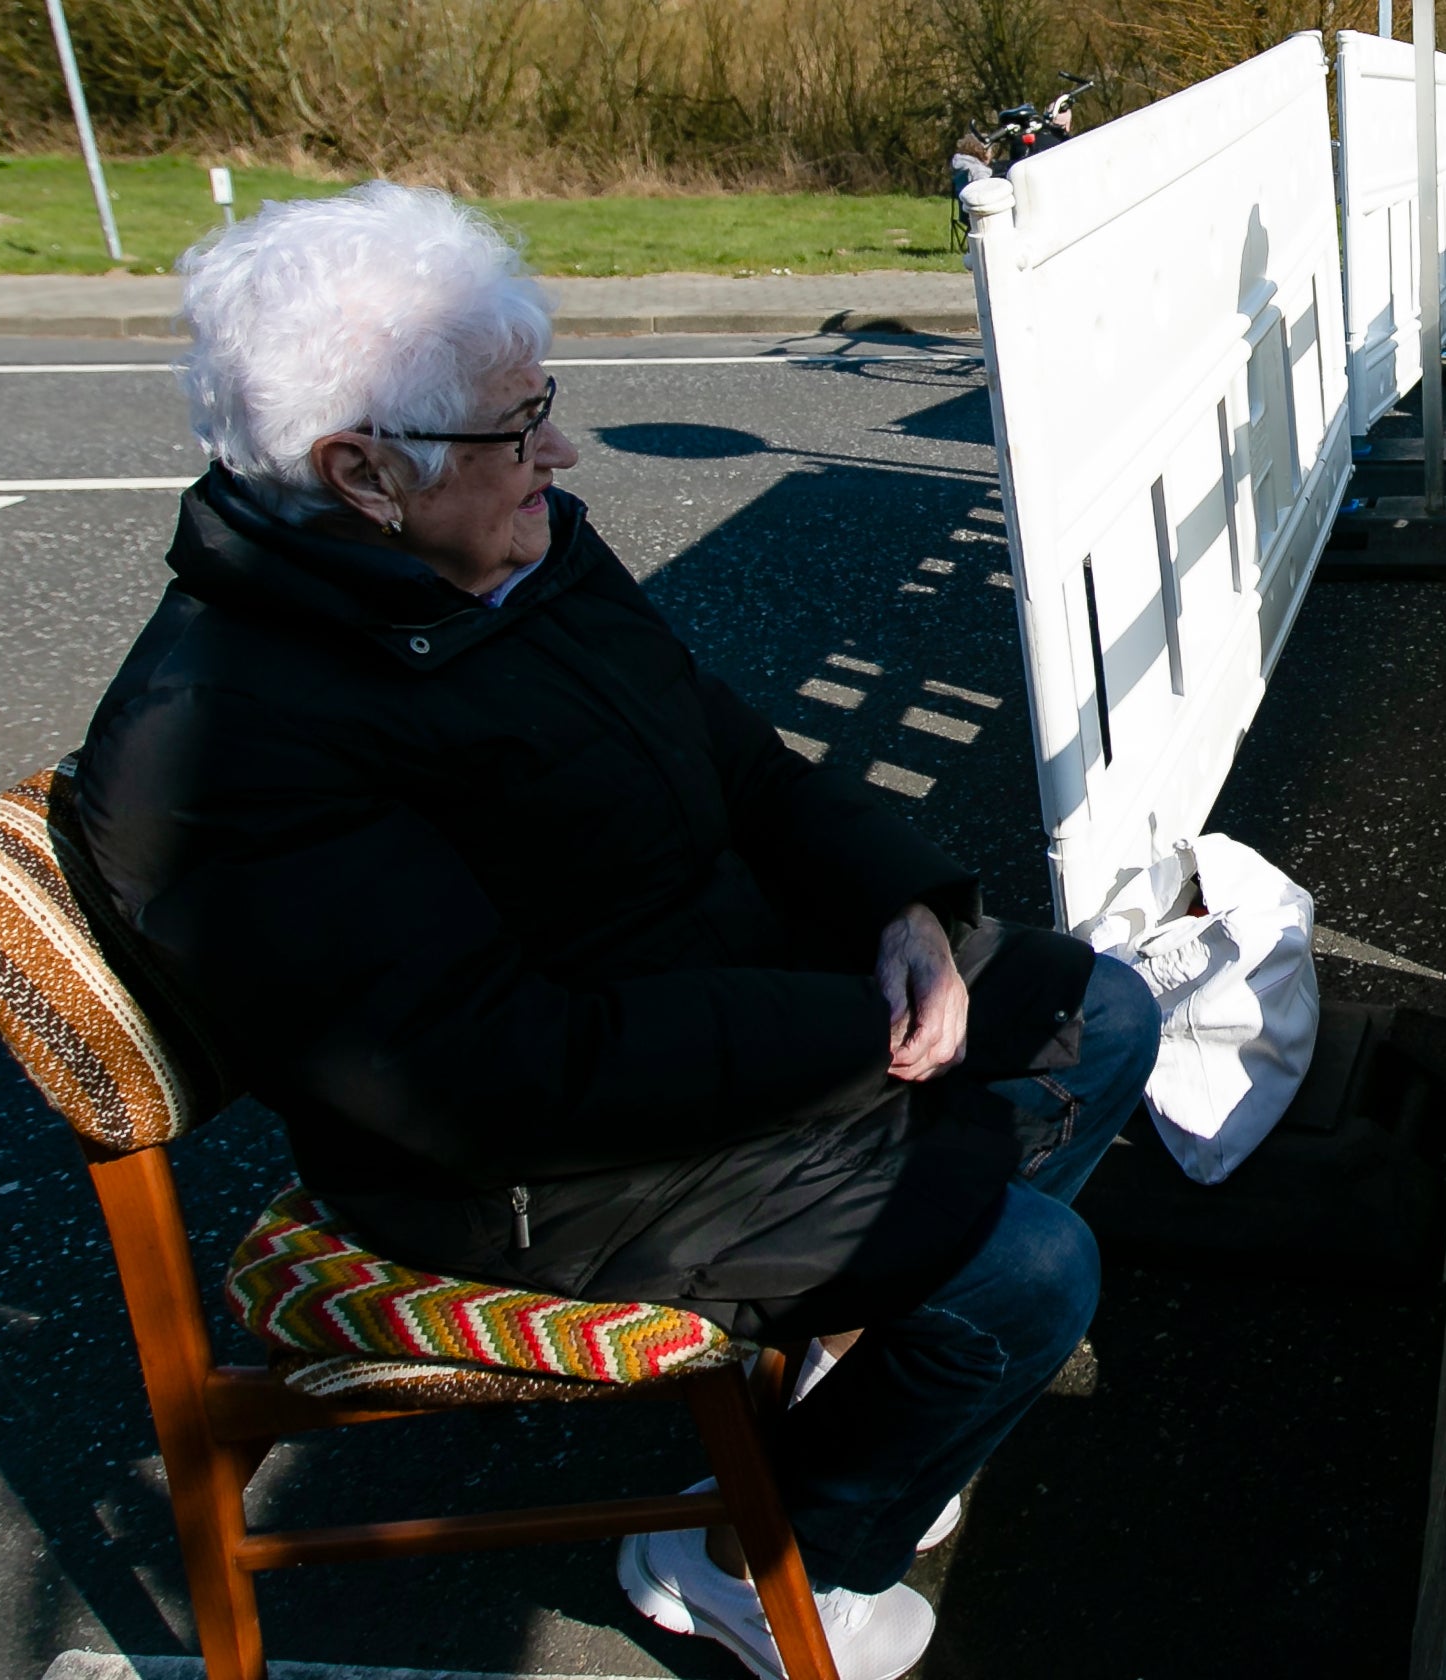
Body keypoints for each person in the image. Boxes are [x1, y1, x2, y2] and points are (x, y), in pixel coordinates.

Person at [71, 182, 1158, 1680]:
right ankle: (745, 1553)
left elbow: (729, 755)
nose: (559, 454)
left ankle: (862, 1404)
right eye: (518, 430)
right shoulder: (228, 748)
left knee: (1097, 1015)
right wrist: (862, 1034)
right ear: (360, 472)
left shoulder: (502, 560)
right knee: (1023, 1277)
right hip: (520, 1169)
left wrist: (897, 907)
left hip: (689, 1014)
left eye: (544, 407)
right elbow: (493, 1077)